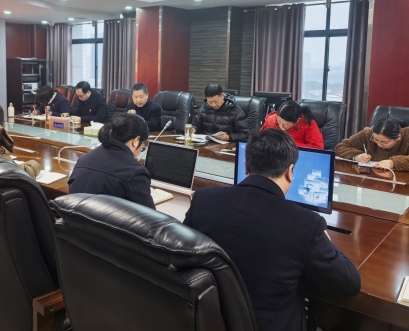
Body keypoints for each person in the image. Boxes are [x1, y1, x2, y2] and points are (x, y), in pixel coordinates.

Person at [183, 129, 361, 331]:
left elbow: (183, 254)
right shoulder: (306, 224)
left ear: (246, 165)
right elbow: (350, 284)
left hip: (209, 321)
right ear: (290, 171)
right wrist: (325, 240)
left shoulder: (203, 199)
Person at [69, 112, 154, 209]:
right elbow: (149, 214)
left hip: (77, 216)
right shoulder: (135, 172)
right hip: (105, 218)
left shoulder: (84, 158)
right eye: (142, 146)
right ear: (136, 141)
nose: (140, 150)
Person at [335, 118, 409, 170]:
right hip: (370, 179)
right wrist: (356, 155)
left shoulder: (407, 136)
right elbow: (341, 147)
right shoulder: (367, 133)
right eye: (376, 140)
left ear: (398, 137)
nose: (379, 144)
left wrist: (394, 163)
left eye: (384, 143)